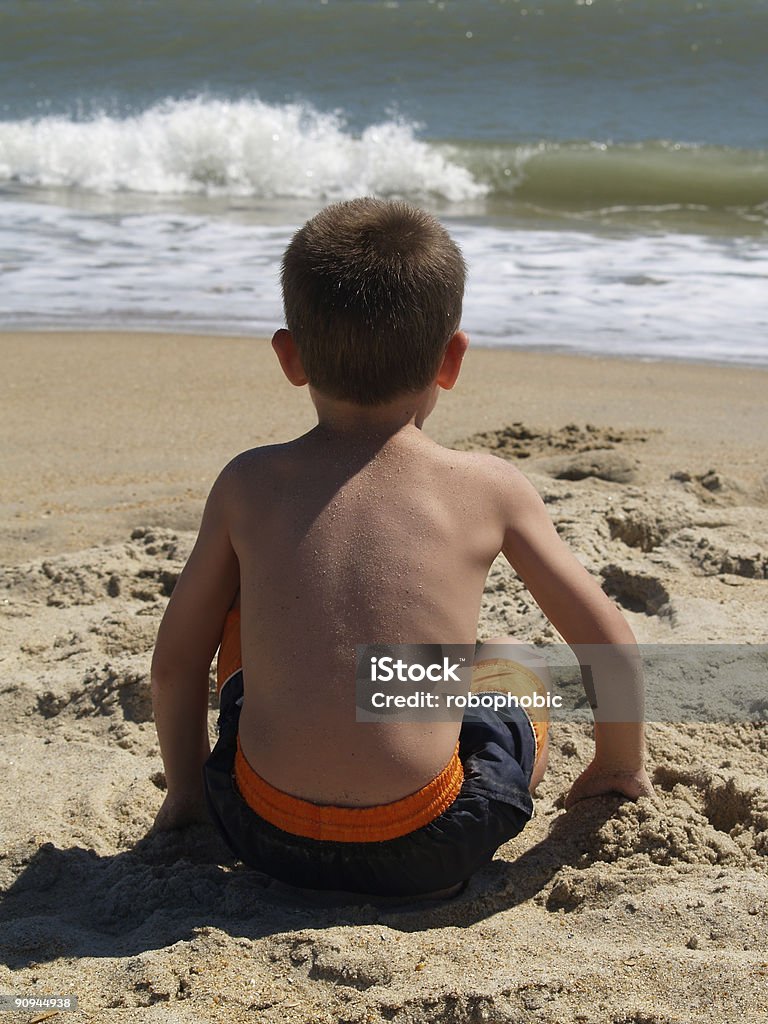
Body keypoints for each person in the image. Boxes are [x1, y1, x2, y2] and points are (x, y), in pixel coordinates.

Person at [150, 197, 653, 898]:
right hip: (434, 843)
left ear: (290, 357)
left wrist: (190, 797)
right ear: (452, 359)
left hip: (261, 832)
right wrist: (619, 761)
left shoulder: (247, 484)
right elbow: (609, 645)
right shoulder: (489, 488)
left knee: (240, 621)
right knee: (510, 657)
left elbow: (175, 667)